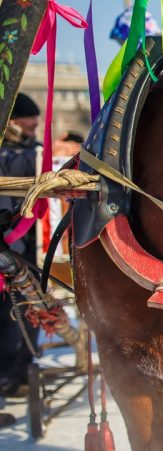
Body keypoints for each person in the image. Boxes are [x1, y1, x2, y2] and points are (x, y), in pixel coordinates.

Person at [0, 93, 42, 402]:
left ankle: (20, 371)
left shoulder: (34, 153)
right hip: (9, 240)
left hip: (23, 245)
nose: (35, 124)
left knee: (27, 307)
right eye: (29, 119)